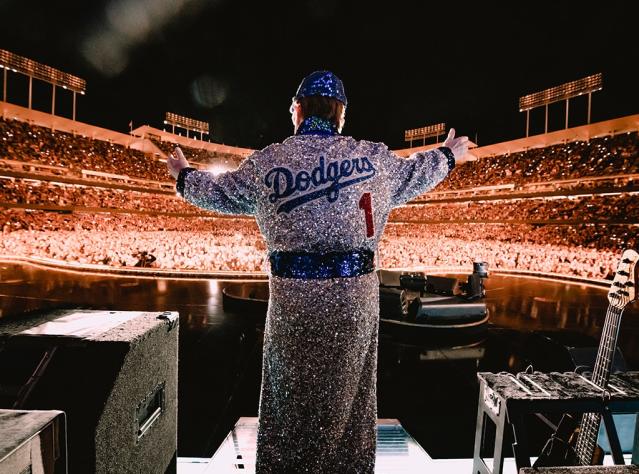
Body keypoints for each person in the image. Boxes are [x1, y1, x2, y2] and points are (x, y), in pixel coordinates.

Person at [167, 70, 468, 473]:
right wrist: (447, 154)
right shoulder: (375, 159)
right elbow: (417, 170)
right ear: (341, 114)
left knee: (288, 395)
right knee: (352, 395)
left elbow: (219, 192)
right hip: (355, 300)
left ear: (297, 110)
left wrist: (185, 176)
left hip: (293, 300)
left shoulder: (269, 162)